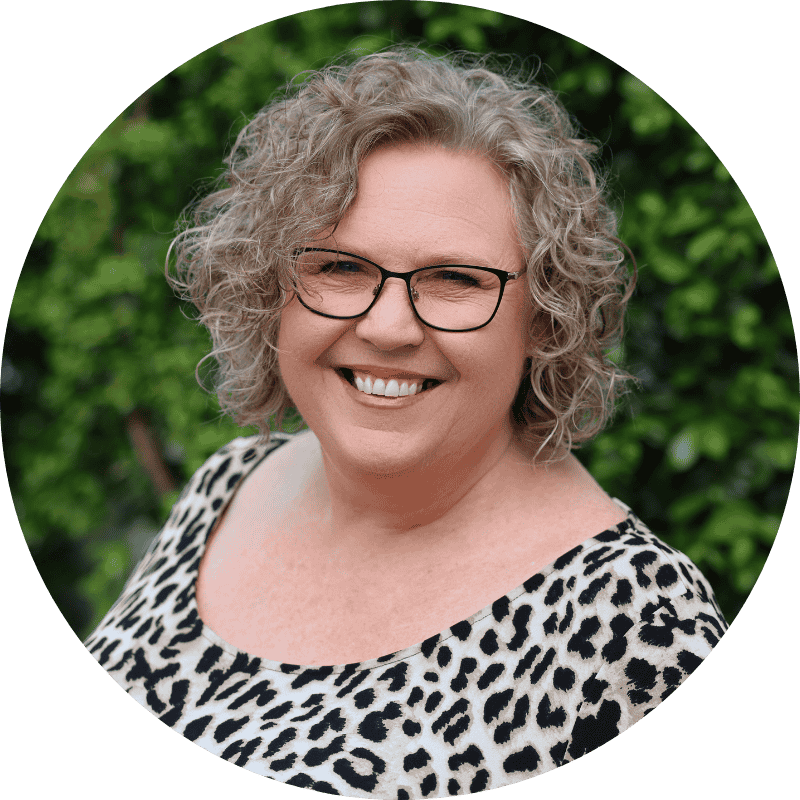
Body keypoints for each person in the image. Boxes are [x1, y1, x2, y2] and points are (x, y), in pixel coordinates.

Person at [85, 48, 728, 797]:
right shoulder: (227, 485)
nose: (389, 327)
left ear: (546, 318)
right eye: (339, 267)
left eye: (455, 278)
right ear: (270, 290)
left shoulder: (638, 627)